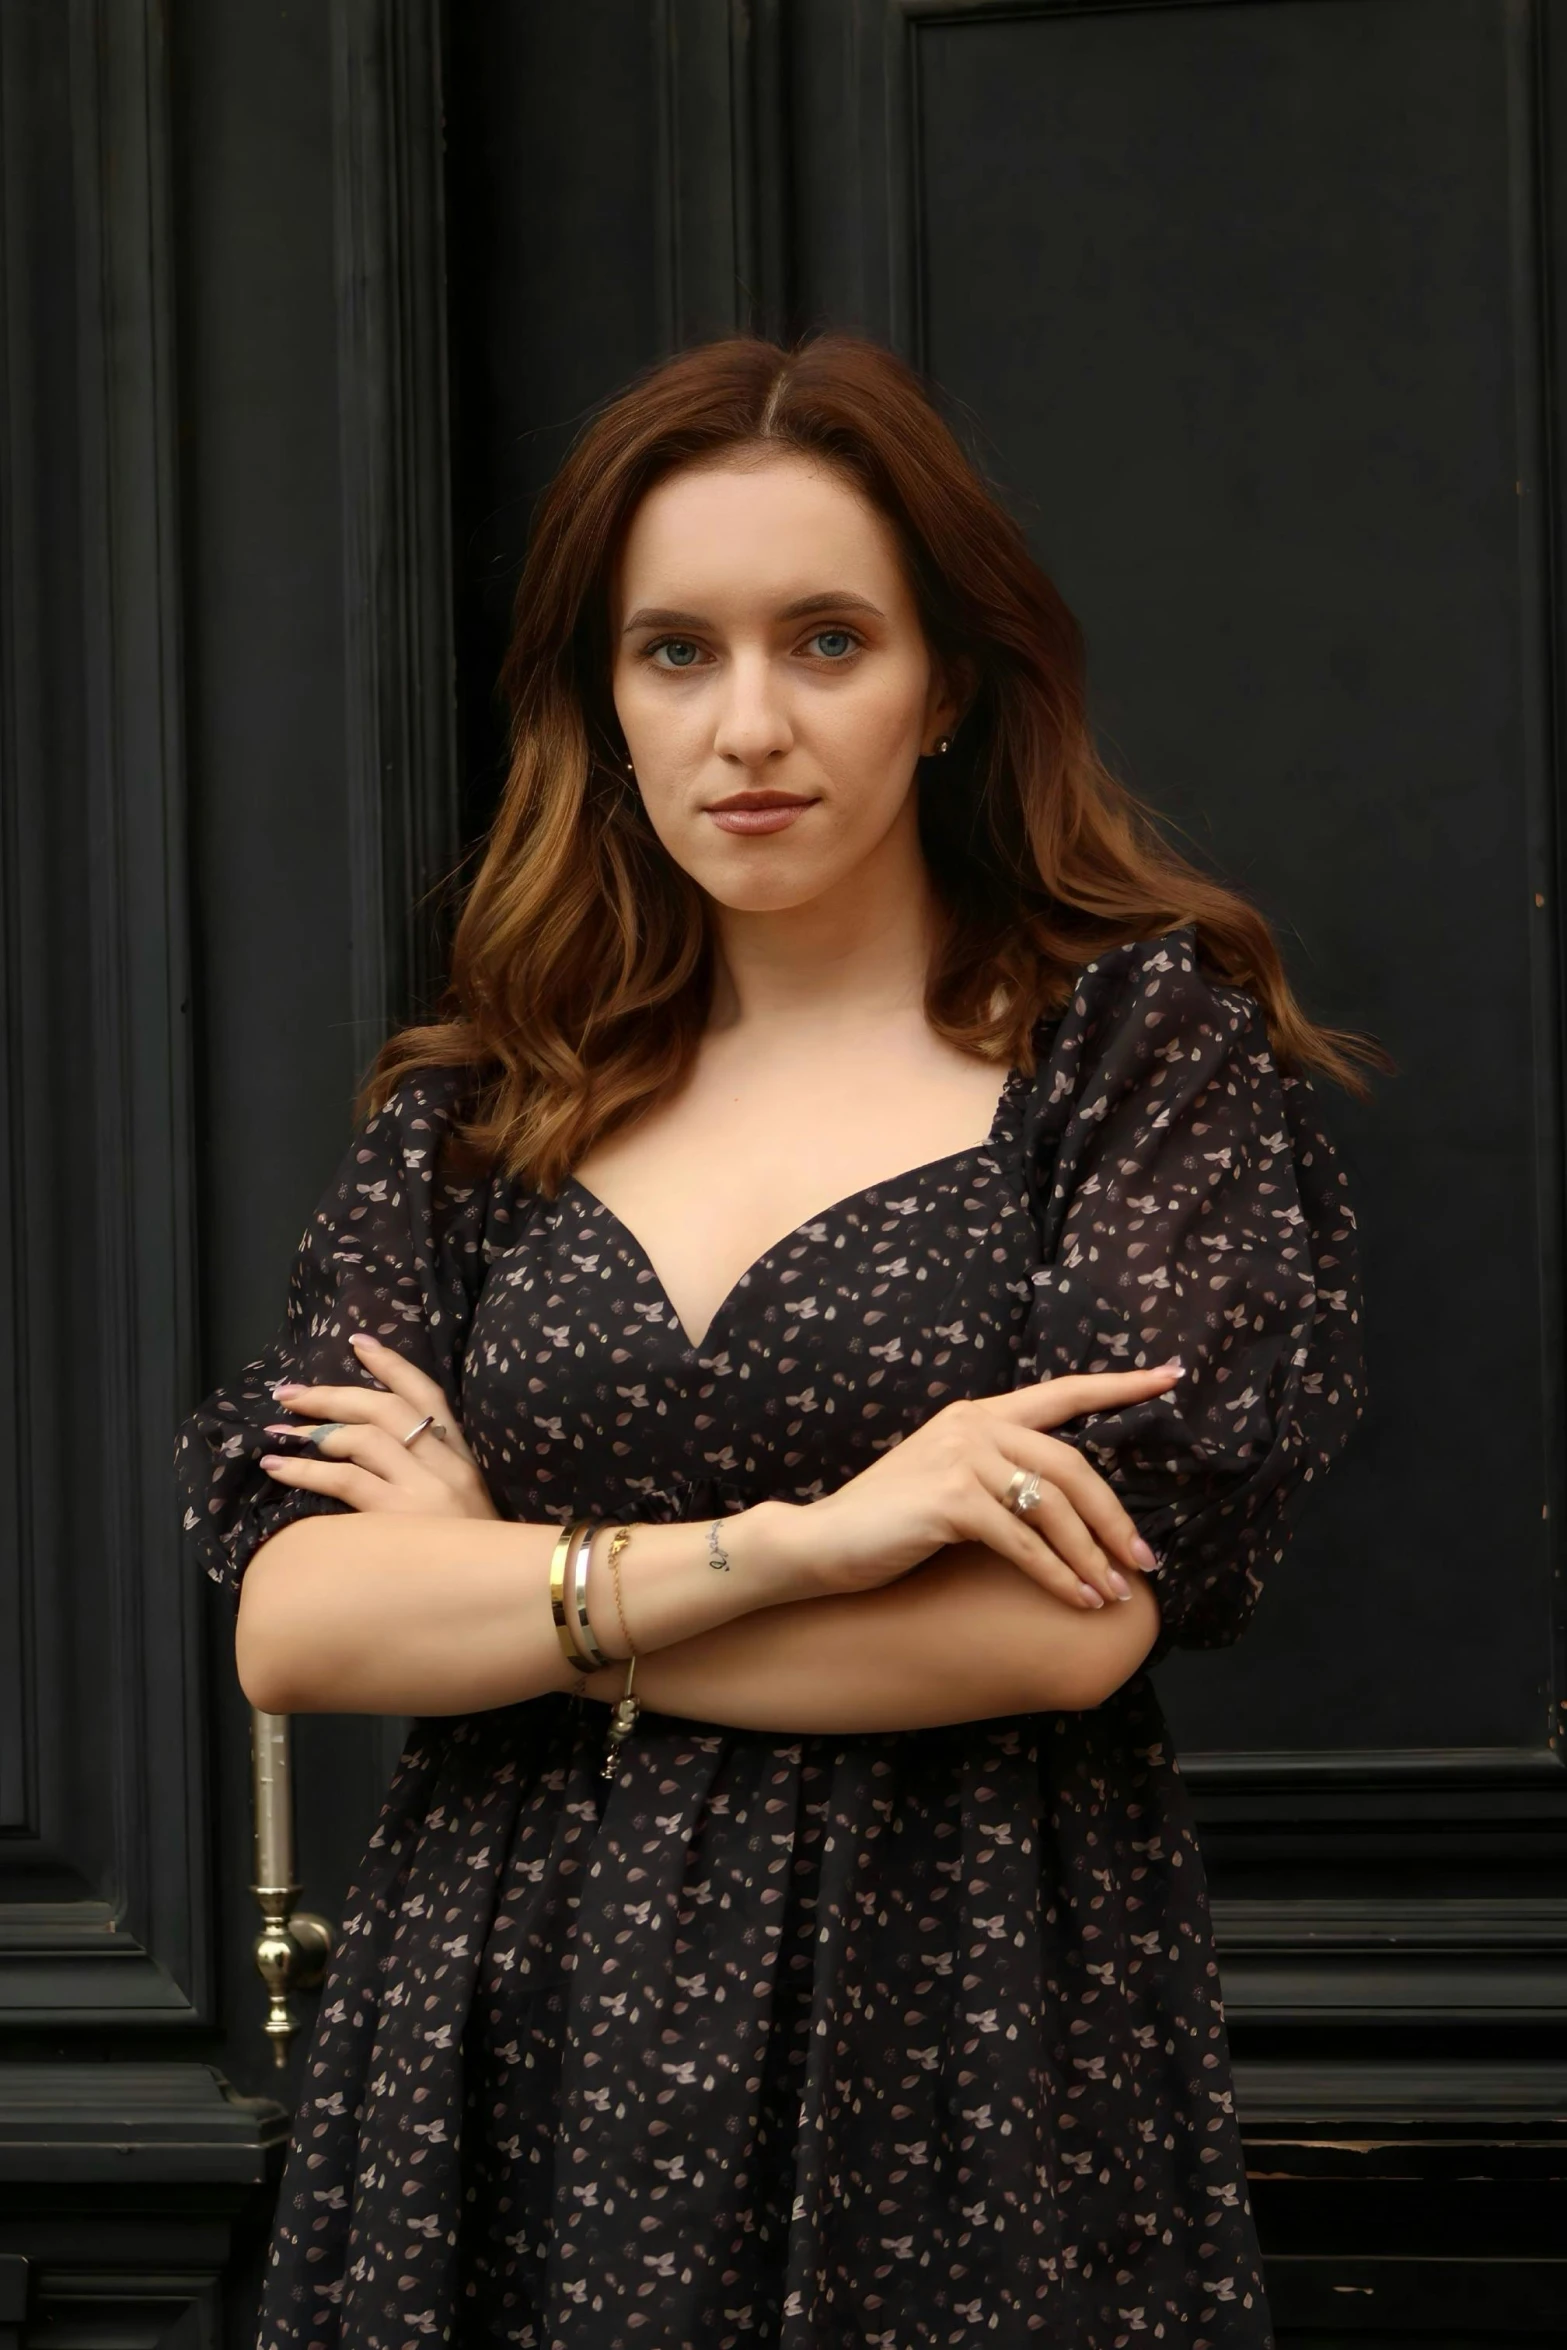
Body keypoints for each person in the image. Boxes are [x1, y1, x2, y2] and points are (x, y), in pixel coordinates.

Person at [175, 330, 1369, 2349]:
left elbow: (1058, 1619)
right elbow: (298, 1620)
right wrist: (808, 1544)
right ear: (601, 701)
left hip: (951, 2034)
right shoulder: (485, 1112)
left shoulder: (1127, 1053)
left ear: (948, 689)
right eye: (674, 652)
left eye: (825, 641)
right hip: (494, 2027)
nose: (748, 724)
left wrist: (517, 1595)